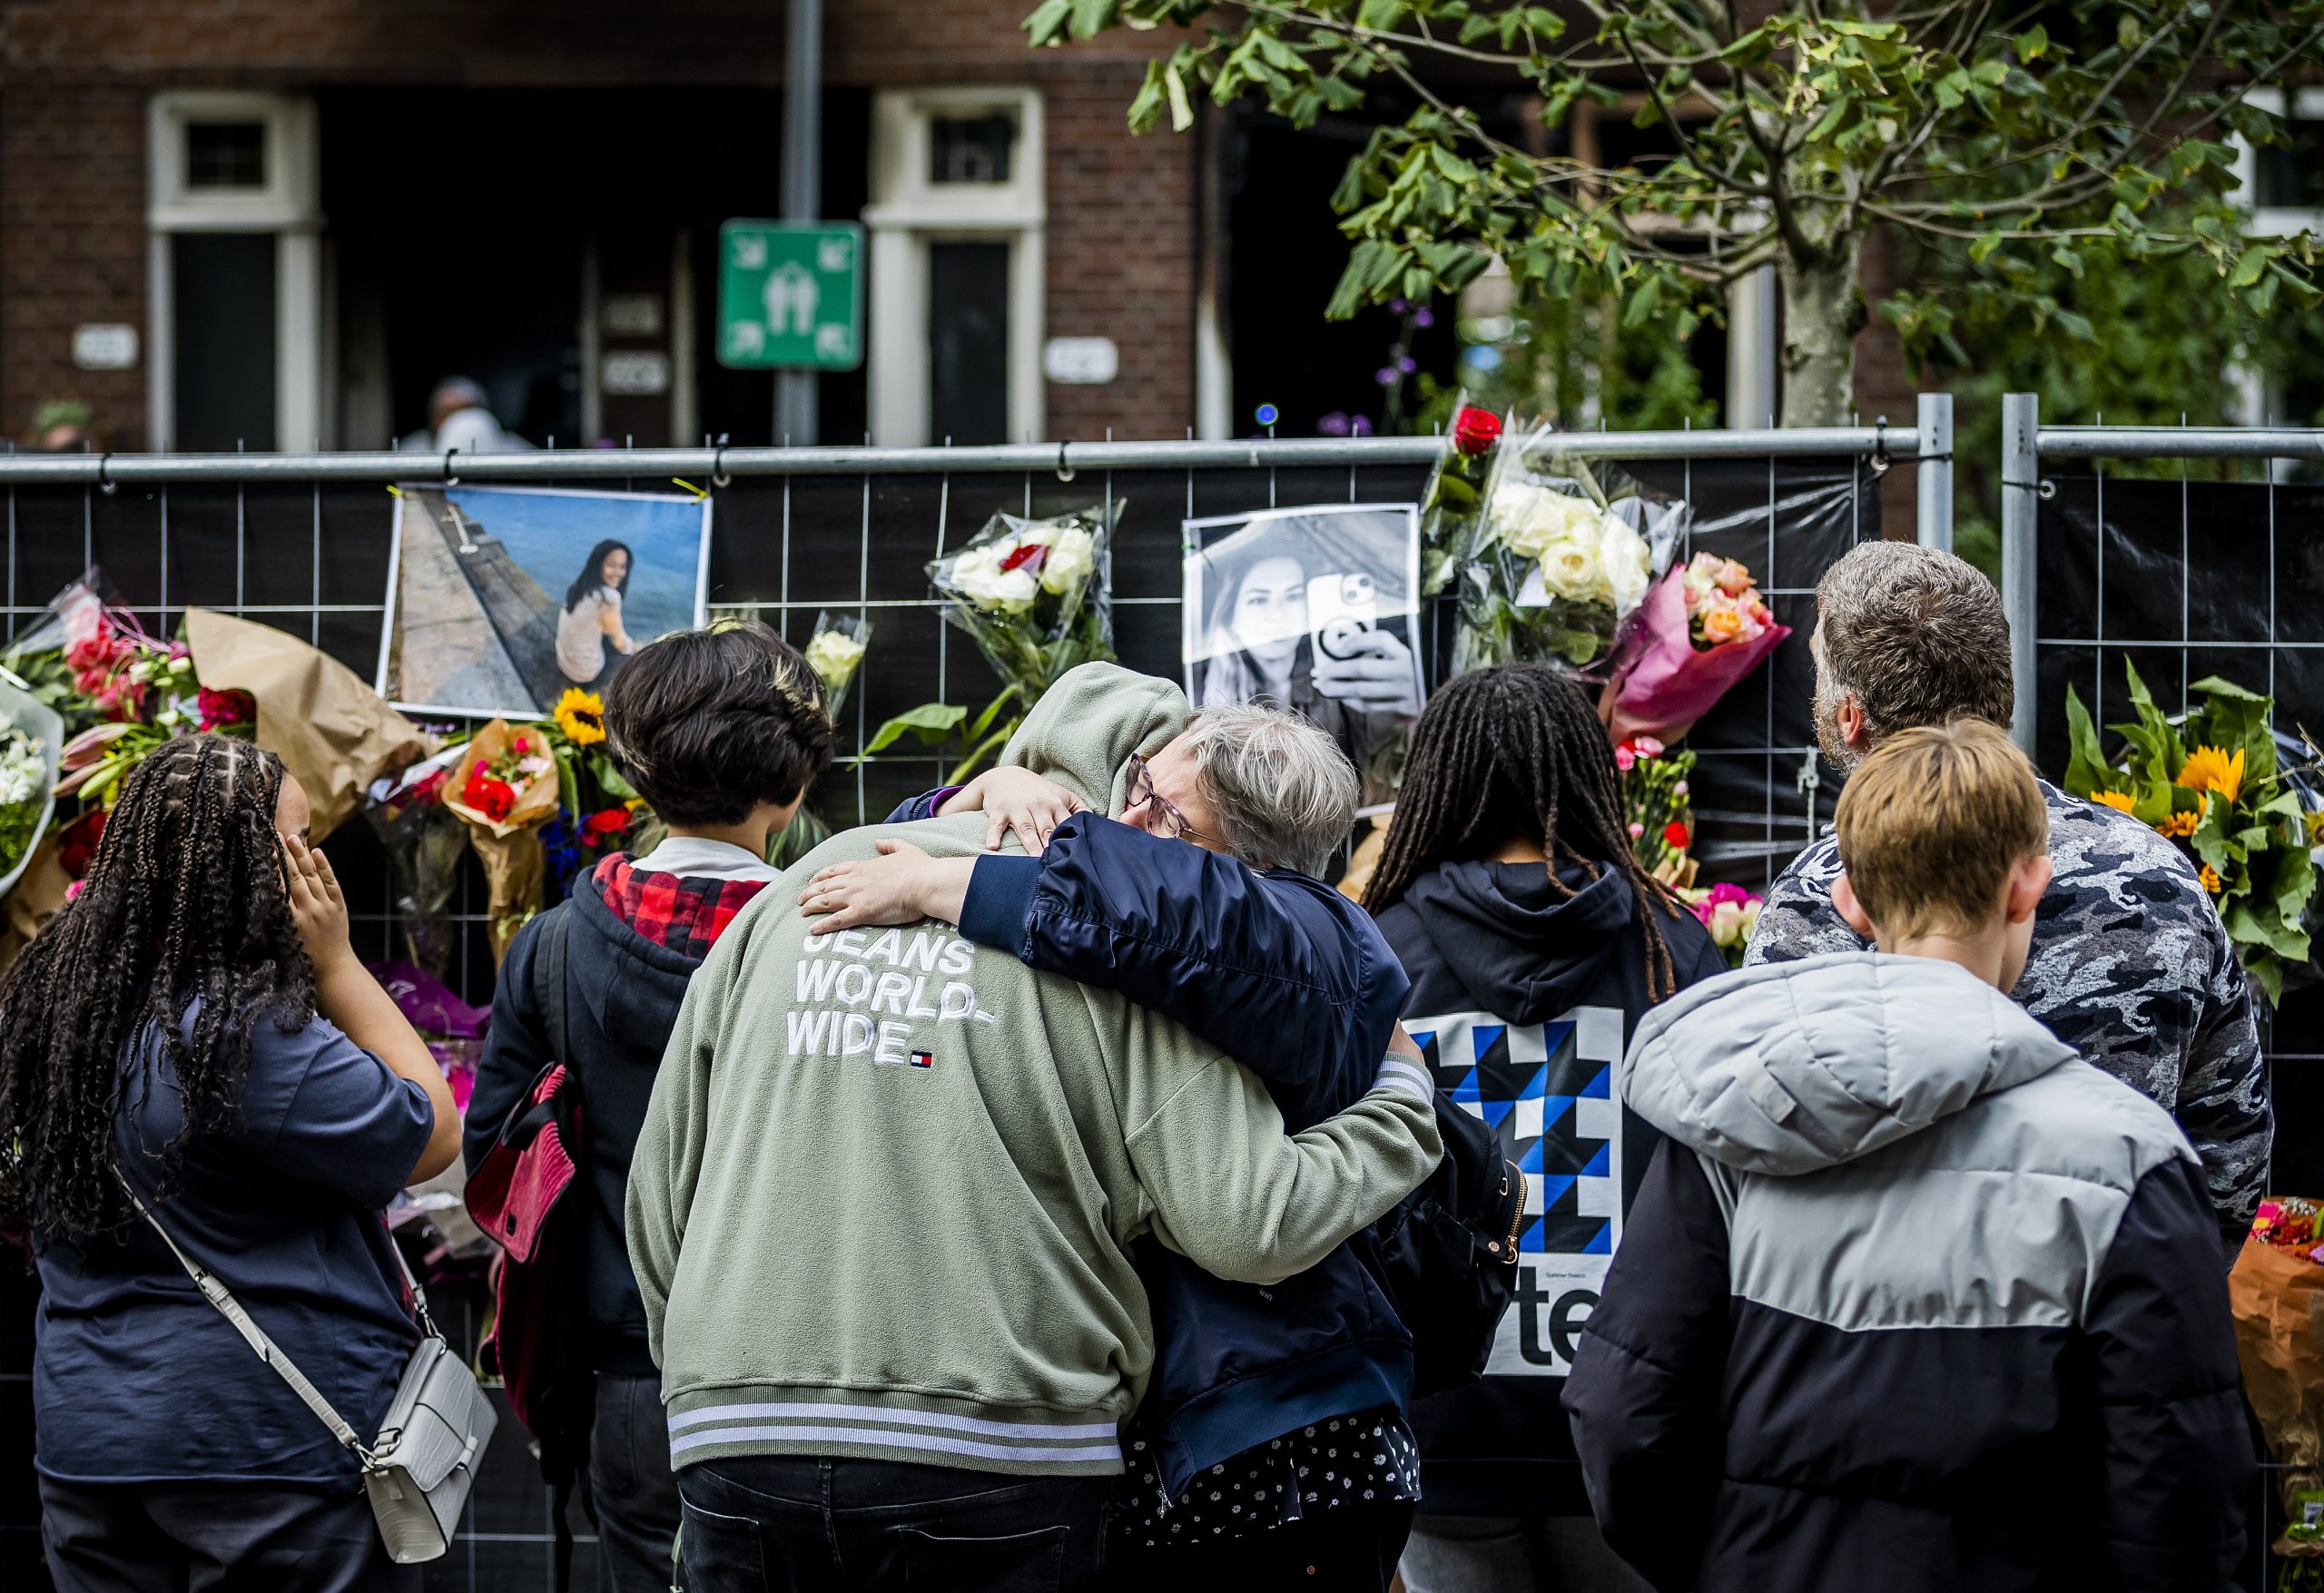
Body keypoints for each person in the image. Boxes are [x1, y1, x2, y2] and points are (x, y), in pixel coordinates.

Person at [626, 663, 1444, 1593]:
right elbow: (1245, 1221)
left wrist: (713, 1375)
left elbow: (661, 1189)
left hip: (733, 1435)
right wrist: (1401, 1110)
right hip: (1000, 1444)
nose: (1138, 838)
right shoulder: (1143, 959)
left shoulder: (813, 879)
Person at [1565, 719, 2253, 1592]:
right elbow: (2180, 1505)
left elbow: (1622, 1415)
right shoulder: (2130, 1161)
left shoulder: (1731, 1128)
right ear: (2027, 884)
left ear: (1849, 899)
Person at [3, 736, 461, 1592]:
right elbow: (431, 1133)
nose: (313, 861)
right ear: (248, 867)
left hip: (90, 1446)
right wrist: (338, 962)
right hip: (264, 1453)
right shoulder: (246, 1035)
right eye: (297, 839)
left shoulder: (53, 1015)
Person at [1747, 539, 2267, 1254]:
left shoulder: (1809, 906)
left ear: (1850, 720)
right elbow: (2232, 1175)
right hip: (2118, 1327)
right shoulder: (2161, 879)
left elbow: (1761, 1173)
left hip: (1877, 1336)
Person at [466, 620, 835, 1593]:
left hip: (630, 1372)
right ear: (793, 790)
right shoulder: (839, 941)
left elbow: (492, 1162)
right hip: (815, 1371)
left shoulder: (551, 950)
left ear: (633, 773)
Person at [1354, 664, 1727, 1593]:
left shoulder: (1374, 948)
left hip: (1438, 1417)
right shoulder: (1670, 945)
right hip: (1628, 1417)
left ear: (1438, 777)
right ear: (1587, 772)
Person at [1193, 516, 1423, 791]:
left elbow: (1380, 781)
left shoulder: (1341, 683)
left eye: (1294, 596)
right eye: (1258, 599)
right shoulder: (1206, 690)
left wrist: (1408, 722)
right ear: (1231, 615)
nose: (1278, 614)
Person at [557, 538, 637, 688]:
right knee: (633, 659)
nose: (618, 573)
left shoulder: (581, 587)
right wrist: (635, 649)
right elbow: (620, 643)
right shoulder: (608, 597)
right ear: (598, 565)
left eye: (623, 566)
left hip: (563, 662)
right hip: (584, 674)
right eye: (611, 565)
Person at [401, 375, 536, 455]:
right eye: (445, 413)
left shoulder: (515, 449)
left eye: (462, 412)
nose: (455, 421)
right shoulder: (412, 449)